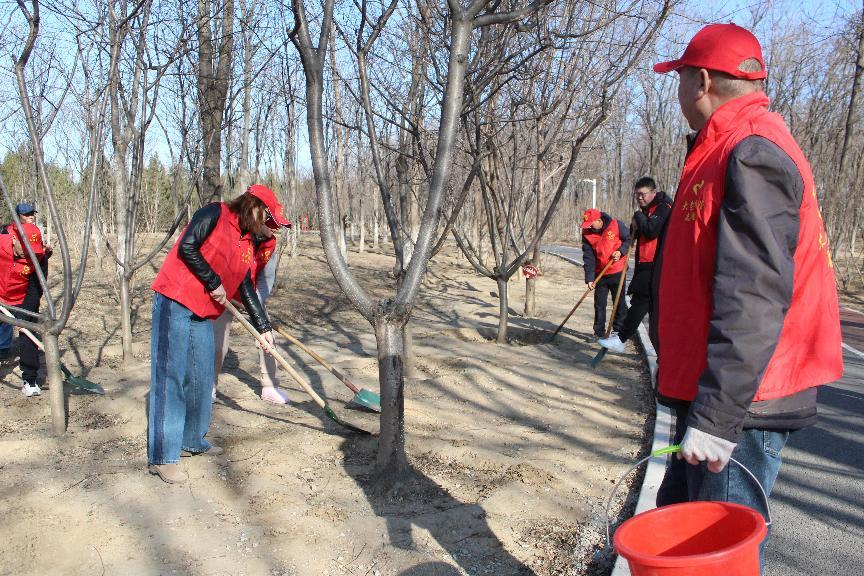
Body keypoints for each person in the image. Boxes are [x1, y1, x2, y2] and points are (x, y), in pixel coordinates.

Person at [651, 23, 843, 564]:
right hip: (717, 394)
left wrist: (716, 419)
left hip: (740, 409)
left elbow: (753, 296)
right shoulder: (720, 147)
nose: (678, 89)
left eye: (680, 77)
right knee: (683, 545)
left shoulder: (751, 151)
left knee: (718, 557)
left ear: (702, 81)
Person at [148, 184, 290, 484]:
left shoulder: (247, 243)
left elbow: (246, 285)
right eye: (267, 219)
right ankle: (163, 456)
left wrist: (263, 328)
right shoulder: (214, 213)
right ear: (254, 208)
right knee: (171, 377)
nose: (268, 227)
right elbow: (187, 247)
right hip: (175, 299)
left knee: (202, 377)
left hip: (203, 311)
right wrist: (213, 281)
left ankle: (191, 440)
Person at [212, 225, 290, 404]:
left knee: (268, 339)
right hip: (224, 296)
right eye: (270, 224)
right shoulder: (237, 237)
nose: (274, 229)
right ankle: (209, 385)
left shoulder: (269, 245)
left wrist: (255, 307)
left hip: (253, 297)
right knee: (217, 341)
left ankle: (270, 387)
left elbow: (265, 281)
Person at [598, 178, 671, 353]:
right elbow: (638, 234)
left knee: (640, 302)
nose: (639, 198)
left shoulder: (663, 207)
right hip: (646, 263)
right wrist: (635, 226)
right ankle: (662, 355)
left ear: (653, 192)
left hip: (657, 264)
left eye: (643, 194)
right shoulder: (647, 210)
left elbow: (651, 230)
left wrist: (638, 216)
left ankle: (621, 339)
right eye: (637, 194)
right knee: (652, 311)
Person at [0, 212, 52, 396]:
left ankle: (30, 380)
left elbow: (36, 289)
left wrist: (24, 316)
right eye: (25, 248)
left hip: (21, 299)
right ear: (14, 240)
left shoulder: (39, 257)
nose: (29, 254)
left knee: (28, 334)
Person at [0, 203, 41, 362]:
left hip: (20, 293)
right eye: (26, 214)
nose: (31, 216)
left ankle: (5, 349)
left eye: (32, 214)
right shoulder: (6, 236)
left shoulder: (34, 233)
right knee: (3, 318)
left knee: (16, 320)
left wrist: (45, 254)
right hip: (3, 289)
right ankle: (3, 348)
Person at [580, 207, 630, 339]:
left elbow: (629, 239)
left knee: (618, 302)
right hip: (600, 273)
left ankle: (618, 332)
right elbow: (588, 257)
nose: (589, 227)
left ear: (599, 220)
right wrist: (590, 278)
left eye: (591, 224)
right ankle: (599, 332)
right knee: (599, 304)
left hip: (618, 270)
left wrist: (621, 252)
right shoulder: (587, 234)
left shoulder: (616, 225)